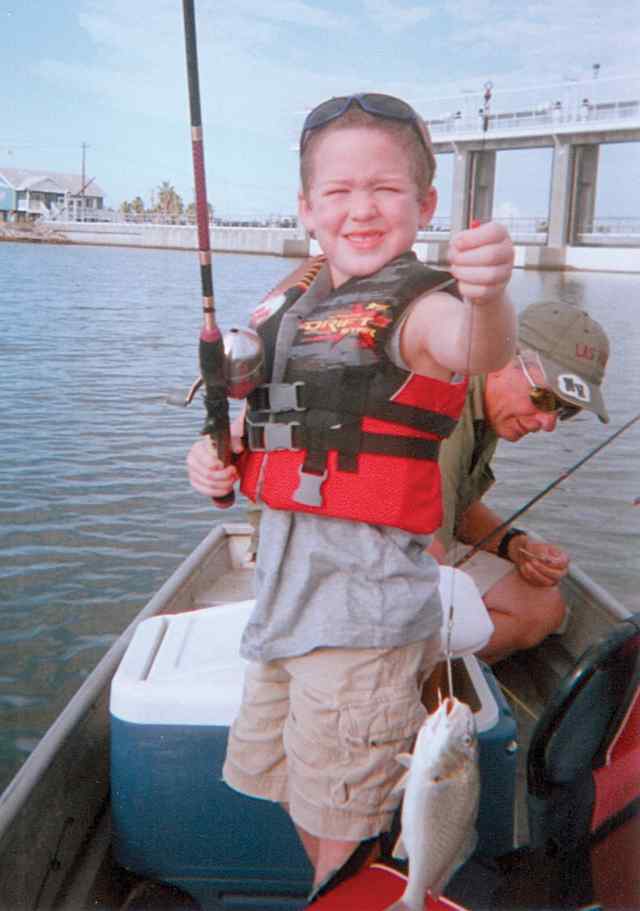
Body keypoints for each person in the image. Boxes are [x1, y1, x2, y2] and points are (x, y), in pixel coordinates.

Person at [186, 93, 516, 896]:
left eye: (385, 189)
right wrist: (213, 456)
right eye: (337, 191)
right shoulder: (295, 310)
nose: (360, 208)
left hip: (361, 622)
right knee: (299, 800)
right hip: (284, 608)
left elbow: (475, 345)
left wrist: (491, 293)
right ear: (306, 207)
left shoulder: (425, 308)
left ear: (425, 204)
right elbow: (268, 433)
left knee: (344, 837)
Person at [430, 300, 610, 665]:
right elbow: (422, 554)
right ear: (501, 357)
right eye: (543, 398)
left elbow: (455, 509)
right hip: (383, 562)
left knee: (542, 608)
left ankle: (433, 670)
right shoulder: (446, 405)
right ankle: (404, 676)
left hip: (423, 547)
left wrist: (516, 544)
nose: (548, 422)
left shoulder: (491, 402)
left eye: (564, 409)